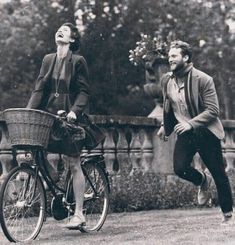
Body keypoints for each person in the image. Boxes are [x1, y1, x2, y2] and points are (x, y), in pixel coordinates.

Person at [157, 40, 233, 223]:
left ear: (186, 57)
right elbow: (168, 106)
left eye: (174, 56)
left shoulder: (203, 79)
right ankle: (201, 181)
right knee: (180, 168)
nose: (170, 60)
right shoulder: (166, 80)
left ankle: (228, 214)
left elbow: (213, 110)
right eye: (169, 57)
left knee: (218, 172)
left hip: (205, 131)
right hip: (186, 132)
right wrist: (163, 126)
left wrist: (191, 124)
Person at [27, 22, 89, 229]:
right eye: (58, 28)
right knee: (34, 149)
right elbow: (39, 90)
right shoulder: (48, 60)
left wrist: (74, 111)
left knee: (73, 163)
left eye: (65, 29)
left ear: (72, 39)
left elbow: (83, 91)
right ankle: (55, 180)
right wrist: (29, 112)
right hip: (50, 116)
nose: (59, 30)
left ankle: (79, 214)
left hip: (70, 118)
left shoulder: (78, 61)